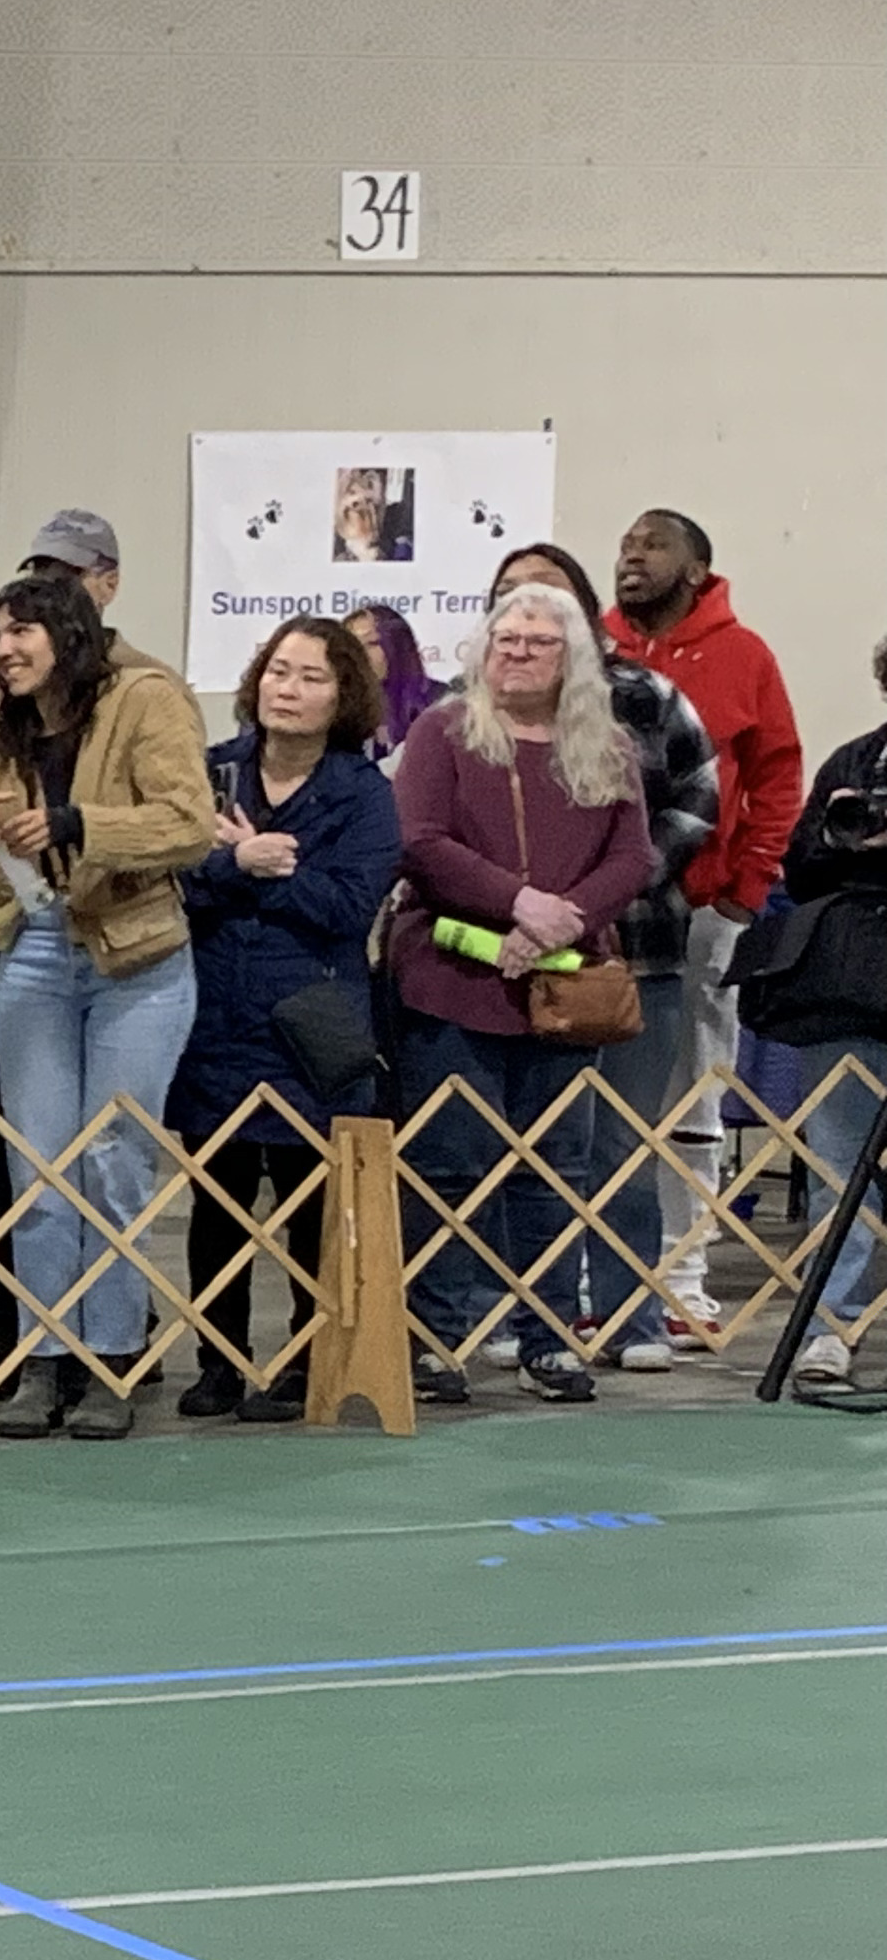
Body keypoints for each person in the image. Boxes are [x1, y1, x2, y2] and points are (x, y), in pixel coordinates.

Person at [0, 565, 217, 1440]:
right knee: (38, 1171)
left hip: (137, 956)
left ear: (67, 634)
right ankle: (45, 1356)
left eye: (19, 633)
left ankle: (112, 1360)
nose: (4, 652)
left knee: (115, 1162)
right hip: (32, 953)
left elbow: (190, 823)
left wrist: (77, 824)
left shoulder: (148, 699)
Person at [384, 583, 655, 1404]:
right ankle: (435, 1340)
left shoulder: (606, 747)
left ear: (570, 658)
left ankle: (547, 1338)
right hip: (451, 979)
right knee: (447, 1166)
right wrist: (516, 906)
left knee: (555, 1169)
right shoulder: (442, 733)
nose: (518, 651)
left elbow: (632, 856)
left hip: (564, 989)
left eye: (538, 641)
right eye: (506, 638)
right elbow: (419, 841)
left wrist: (561, 923)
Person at [483, 541, 719, 1369]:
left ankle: (631, 1320)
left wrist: (599, 898)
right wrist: (522, 908)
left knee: (621, 1143)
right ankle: (522, 1318)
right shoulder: (466, 712)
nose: (527, 612)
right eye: (510, 597)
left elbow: (696, 801)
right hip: (505, 961)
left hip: (634, 956)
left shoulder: (646, 698)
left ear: (583, 613)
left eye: (547, 597)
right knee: (526, 1145)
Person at [167, 617, 399, 1421]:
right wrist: (236, 862)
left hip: (311, 1019)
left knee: (307, 1203)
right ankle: (218, 1361)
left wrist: (258, 864)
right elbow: (178, 881)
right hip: (216, 1013)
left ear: (343, 697)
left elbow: (347, 904)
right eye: (278, 671)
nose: (287, 689)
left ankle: (305, 1359)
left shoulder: (365, 794)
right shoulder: (212, 772)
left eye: (310, 677)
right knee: (218, 1200)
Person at [604, 509, 805, 1337]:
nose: (630, 558)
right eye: (623, 546)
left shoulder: (743, 654)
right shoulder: (595, 649)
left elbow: (780, 774)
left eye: (650, 545)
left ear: (695, 568)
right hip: (604, 910)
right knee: (602, 1101)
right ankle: (600, 1279)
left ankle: (682, 1277)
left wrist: (745, 887)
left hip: (703, 908)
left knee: (691, 1093)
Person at [766, 636, 887, 1385]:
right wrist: (852, 843)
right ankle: (829, 1327)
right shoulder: (852, 764)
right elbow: (802, 869)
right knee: (837, 1164)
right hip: (851, 981)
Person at [343, 603, 439, 752]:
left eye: (372, 643)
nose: (360, 654)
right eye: (352, 646)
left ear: (398, 646)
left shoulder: (440, 704)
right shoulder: (339, 711)